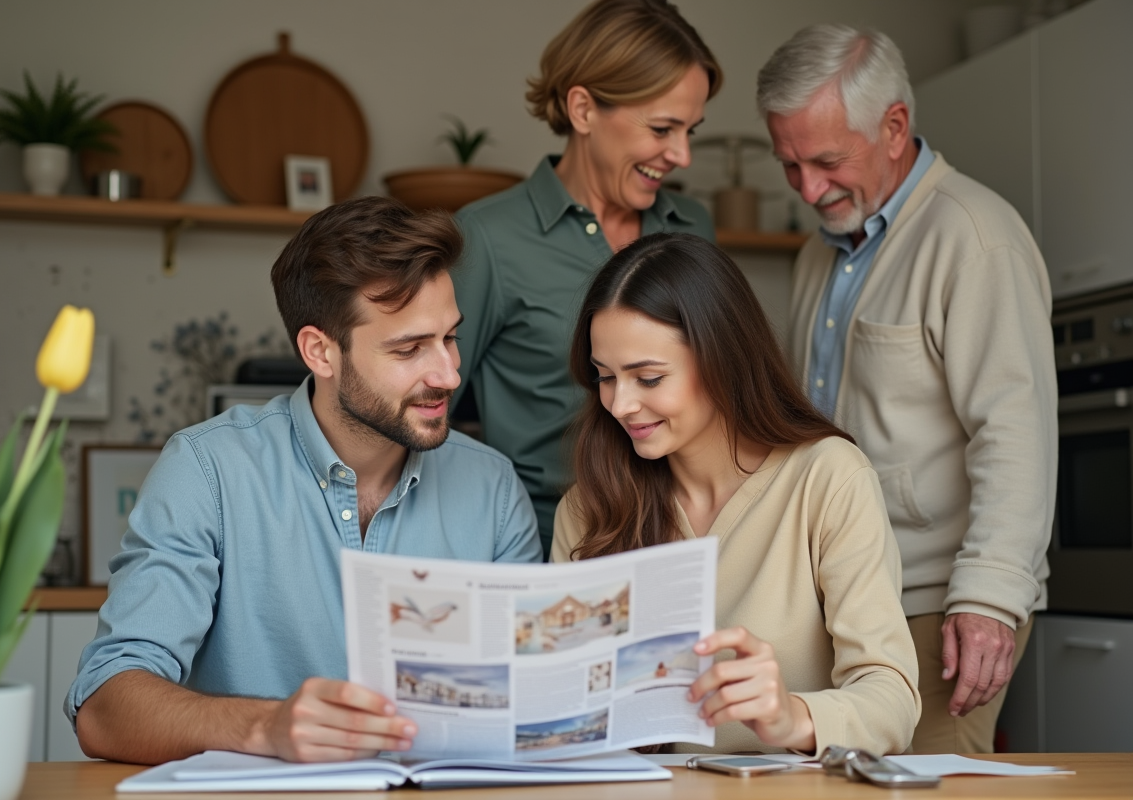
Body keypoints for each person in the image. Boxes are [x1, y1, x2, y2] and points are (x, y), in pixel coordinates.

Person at [68, 197, 542, 765]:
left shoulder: (492, 489)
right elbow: (104, 706)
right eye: (410, 348)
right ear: (320, 351)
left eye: (450, 337)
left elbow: (531, 695)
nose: (448, 373)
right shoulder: (207, 470)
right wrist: (266, 726)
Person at [758, 25, 1056, 754]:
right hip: (845, 598)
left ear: (895, 127)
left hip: (940, 601)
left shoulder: (976, 237)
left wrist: (987, 598)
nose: (808, 188)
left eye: (827, 161)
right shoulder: (814, 258)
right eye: (790, 165)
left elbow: (1015, 431)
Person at [552, 233, 919, 756]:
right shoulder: (588, 510)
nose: (621, 405)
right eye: (605, 378)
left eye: (649, 378)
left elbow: (892, 700)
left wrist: (793, 718)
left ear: (722, 358)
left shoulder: (827, 478)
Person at [452, 0, 722, 555]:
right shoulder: (487, 239)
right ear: (582, 109)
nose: (683, 155)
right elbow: (424, 415)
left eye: (690, 129)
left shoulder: (691, 226)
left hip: (682, 546)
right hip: (544, 548)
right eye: (664, 128)